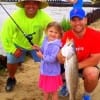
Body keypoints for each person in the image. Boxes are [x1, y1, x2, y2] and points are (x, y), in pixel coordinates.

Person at [0, 0, 52, 92]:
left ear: (39, 5)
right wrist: (13, 49)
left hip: (36, 46)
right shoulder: (15, 17)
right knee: (11, 59)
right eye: (28, 2)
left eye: (34, 3)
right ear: (24, 4)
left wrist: (47, 46)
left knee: (50, 59)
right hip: (18, 45)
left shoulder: (45, 17)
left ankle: (50, 79)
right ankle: (11, 78)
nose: (31, 6)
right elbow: (5, 34)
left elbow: (52, 32)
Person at [57, 8, 100, 100]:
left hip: (84, 65)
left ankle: (87, 94)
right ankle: (65, 86)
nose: (77, 23)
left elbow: (96, 59)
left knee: (93, 74)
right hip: (68, 64)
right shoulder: (65, 36)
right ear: (70, 22)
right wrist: (59, 57)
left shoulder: (96, 35)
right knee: (51, 66)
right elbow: (58, 55)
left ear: (85, 20)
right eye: (74, 20)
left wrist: (74, 66)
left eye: (80, 19)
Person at [33, 21, 63, 100]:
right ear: (46, 31)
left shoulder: (56, 46)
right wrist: (38, 48)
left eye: (56, 32)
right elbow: (43, 50)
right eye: (51, 31)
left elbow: (52, 59)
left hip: (52, 73)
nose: (53, 34)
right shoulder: (46, 40)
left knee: (54, 92)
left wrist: (42, 56)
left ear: (59, 34)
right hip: (45, 72)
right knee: (45, 91)